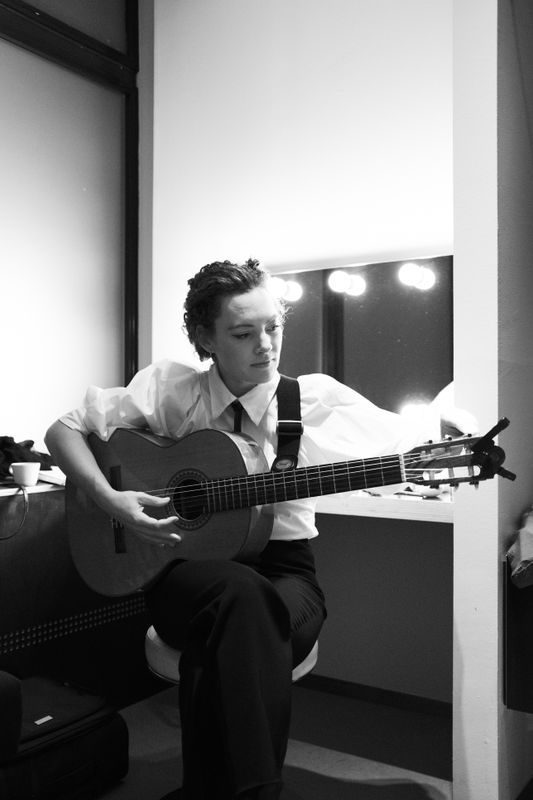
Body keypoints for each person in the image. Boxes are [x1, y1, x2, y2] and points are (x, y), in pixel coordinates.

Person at [45, 259, 473, 800]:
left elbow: (406, 440)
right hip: (186, 574)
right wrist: (112, 501)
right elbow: (64, 429)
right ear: (206, 339)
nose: (265, 345)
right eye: (243, 333)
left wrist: (446, 436)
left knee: (239, 621)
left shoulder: (312, 401)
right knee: (238, 598)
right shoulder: (171, 390)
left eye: (273, 327)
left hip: (286, 574)